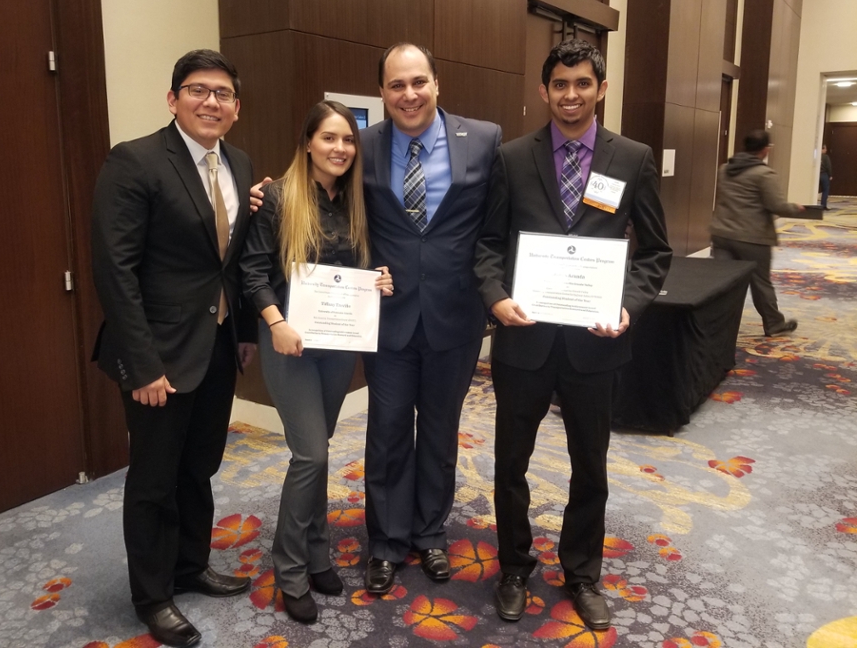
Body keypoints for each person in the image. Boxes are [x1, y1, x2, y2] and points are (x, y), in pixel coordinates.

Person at [474, 39, 672, 630]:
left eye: (582, 83)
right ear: (544, 91)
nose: (570, 95)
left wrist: (629, 305)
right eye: (560, 84)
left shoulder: (632, 158)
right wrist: (497, 297)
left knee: (592, 464)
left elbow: (655, 252)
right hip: (524, 339)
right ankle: (514, 566)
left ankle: (582, 573)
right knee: (510, 461)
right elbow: (487, 245)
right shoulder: (512, 157)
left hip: (596, 340)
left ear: (600, 89)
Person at [92, 49, 257, 648]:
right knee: (154, 478)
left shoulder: (237, 162)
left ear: (236, 109)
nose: (210, 102)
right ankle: (153, 594)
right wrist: (141, 365)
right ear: (173, 99)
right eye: (197, 90)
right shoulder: (134, 161)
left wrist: (240, 334)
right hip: (155, 357)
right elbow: (115, 271)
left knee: (200, 467)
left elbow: (227, 261)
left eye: (223, 94)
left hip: (213, 348)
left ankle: (190, 565)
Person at [240, 101, 393, 623]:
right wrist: (275, 322)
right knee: (310, 455)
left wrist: (379, 281)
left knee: (319, 451)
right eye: (329, 138)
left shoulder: (354, 202)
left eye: (348, 140)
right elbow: (253, 271)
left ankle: (319, 552)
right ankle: (290, 572)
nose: (340, 149)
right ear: (307, 143)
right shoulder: (278, 198)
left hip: (336, 345)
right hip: (288, 343)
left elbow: (357, 271)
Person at [359, 43, 502, 594]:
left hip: (455, 314)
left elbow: (499, 223)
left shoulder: (485, 139)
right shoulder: (364, 144)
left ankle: (430, 535)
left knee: (441, 434)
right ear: (382, 92)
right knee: (388, 431)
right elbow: (327, 201)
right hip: (388, 316)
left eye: (418, 82)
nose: (409, 94)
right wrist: (266, 195)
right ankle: (387, 542)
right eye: (396, 85)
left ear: (437, 83)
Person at [709, 129, 803, 337]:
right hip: (752, 238)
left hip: (722, 233)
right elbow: (777, 205)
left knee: (725, 283)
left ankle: (718, 324)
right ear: (765, 149)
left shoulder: (725, 169)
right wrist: (796, 208)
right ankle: (774, 324)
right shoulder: (764, 174)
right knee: (760, 282)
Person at [819, 144, 832, 209]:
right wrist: (830, 175)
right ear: (822, 149)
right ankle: (823, 205)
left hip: (817, 175)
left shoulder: (817, 156)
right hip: (824, 175)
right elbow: (828, 166)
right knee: (825, 190)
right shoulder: (825, 157)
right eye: (825, 149)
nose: (826, 150)